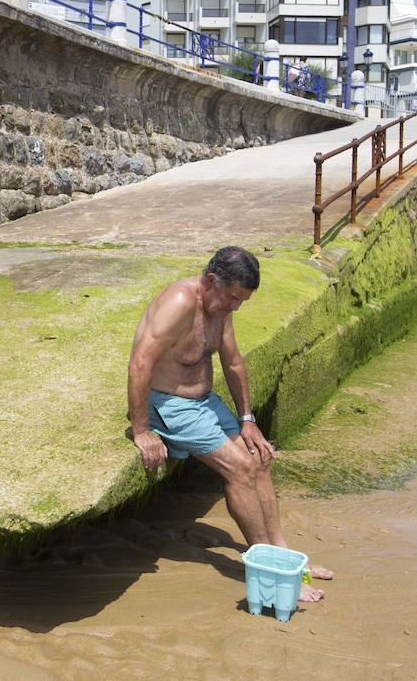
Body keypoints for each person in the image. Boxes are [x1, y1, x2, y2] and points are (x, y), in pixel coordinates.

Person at [127, 246, 332, 602]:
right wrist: (143, 430)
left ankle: (284, 556)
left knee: (260, 456)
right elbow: (139, 364)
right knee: (239, 469)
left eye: (241, 301)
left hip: (205, 401)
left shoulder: (220, 305)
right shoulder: (178, 302)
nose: (235, 307)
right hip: (170, 405)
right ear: (210, 281)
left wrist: (247, 419)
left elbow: (234, 363)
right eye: (232, 298)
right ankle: (269, 569)